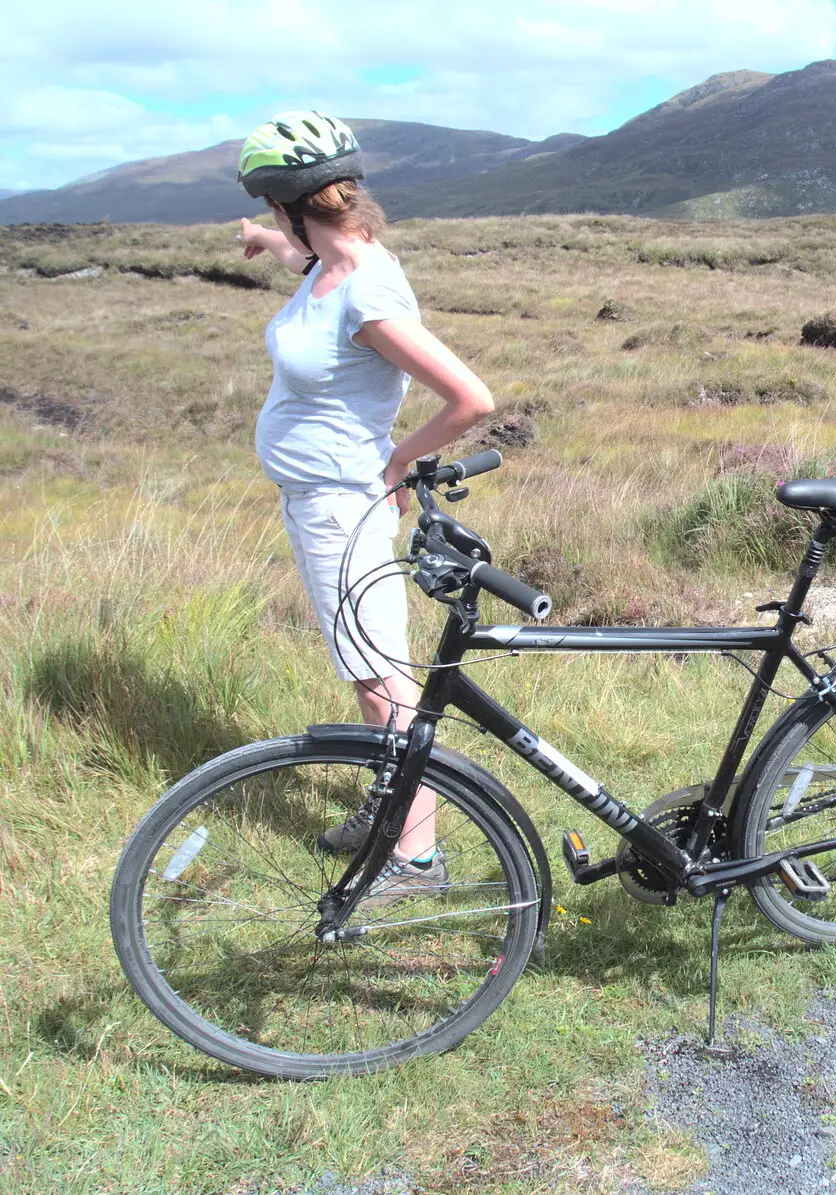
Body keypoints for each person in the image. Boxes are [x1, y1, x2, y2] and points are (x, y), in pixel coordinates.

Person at [235, 111, 495, 902]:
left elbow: (469, 398)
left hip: (342, 503)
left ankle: (415, 857)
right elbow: (311, 264)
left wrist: (396, 459)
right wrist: (271, 242)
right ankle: (391, 804)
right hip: (316, 497)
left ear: (292, 201)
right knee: (365, 665)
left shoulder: (369, 295)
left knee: (380, 675)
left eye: (276, 214)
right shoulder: (331, 259)